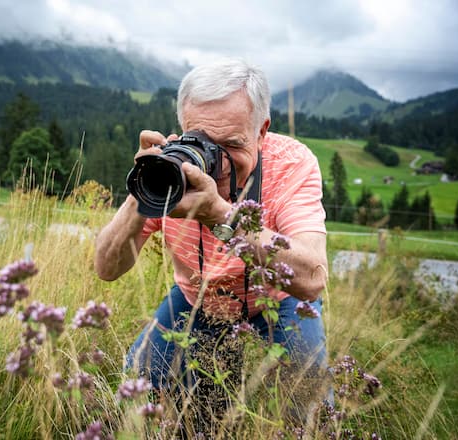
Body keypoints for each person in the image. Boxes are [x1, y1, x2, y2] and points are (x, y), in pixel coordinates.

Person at [94, 58, 328, 398]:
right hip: (196, 300)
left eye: (232, 145)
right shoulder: (175, 166)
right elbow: (106, 268)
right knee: (136, 392)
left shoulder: (292, 164)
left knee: (310, 404)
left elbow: (312, 279)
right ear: (184, 127)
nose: (217, 164)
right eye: (203, 141)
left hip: (279, 301)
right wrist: (147, 186)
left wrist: (220, 214)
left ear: (261, 131)